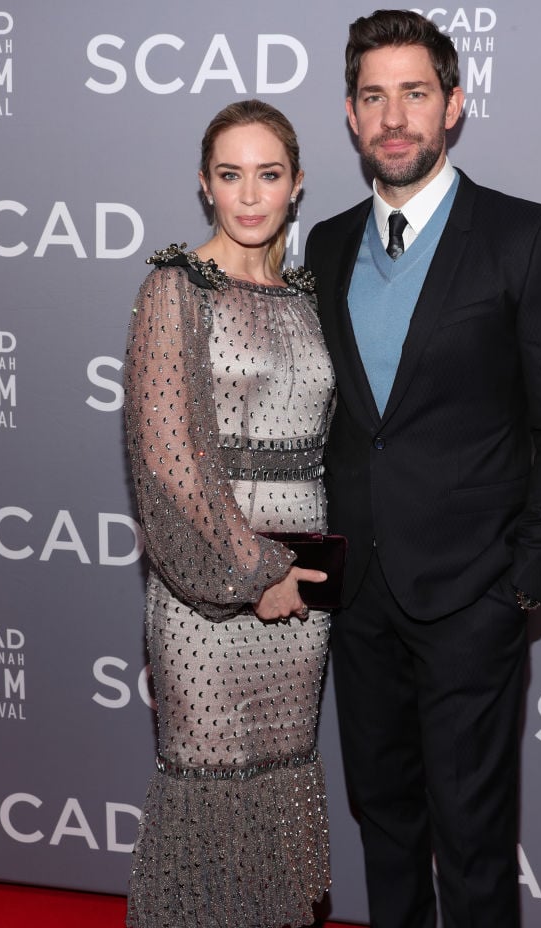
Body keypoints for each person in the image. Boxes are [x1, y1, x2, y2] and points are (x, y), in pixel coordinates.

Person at [304, 10, 541, 928]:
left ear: (454, 105)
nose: (394, 117)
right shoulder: (325, 244)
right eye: (373, 96)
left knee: (471, 836)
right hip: (357, 594)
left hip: (474, 594)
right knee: (383, 821)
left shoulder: (527, 236)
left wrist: (522, 583)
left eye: (415, 94)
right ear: (351, 116)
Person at [124, 99, 335, 928]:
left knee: (281, 779)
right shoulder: (174, 286)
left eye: (269, 174)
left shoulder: (308, 292)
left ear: (297, 184)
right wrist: (255, 573)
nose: (250, 195)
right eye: (229, 174)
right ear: (204, 187)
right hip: (208, 592)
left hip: (302, 594)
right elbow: (168, 457)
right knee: (207, 790)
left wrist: (297, 577)